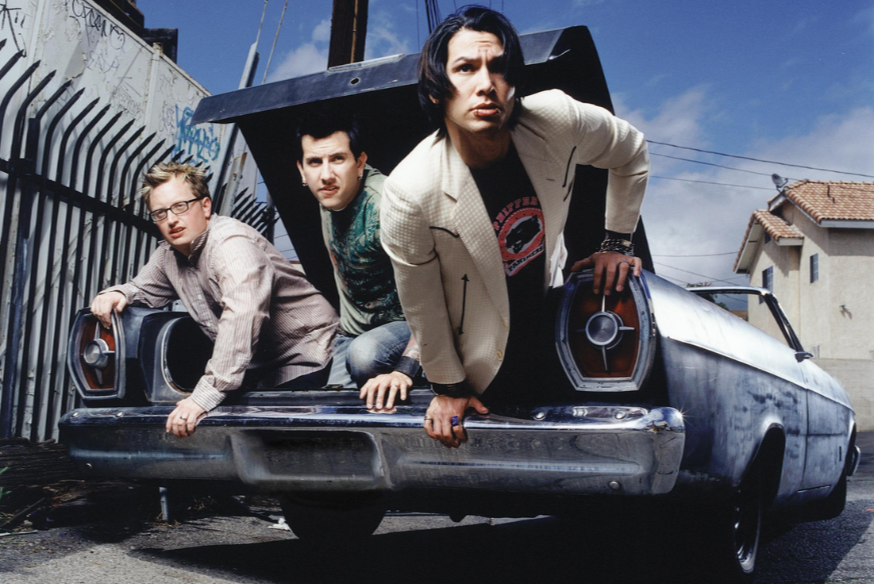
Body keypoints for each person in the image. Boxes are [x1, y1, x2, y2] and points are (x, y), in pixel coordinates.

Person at [380, 6, 649, 448]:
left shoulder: (558, 119)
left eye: (500, 68)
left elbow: (632, 152)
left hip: (551, 315)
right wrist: (448, 387)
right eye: (465, 68)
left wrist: (617, 242)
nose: (487, 84)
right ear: (436, 89)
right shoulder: (411, 190)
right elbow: (423, 304)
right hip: (480, 353)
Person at [90, 162, 338, 438]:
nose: (171, 220)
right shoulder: (169, 254)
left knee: (280, 443)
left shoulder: (231, 245)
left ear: (205, 206)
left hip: (309, 355)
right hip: (260, 370)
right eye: (160, 213)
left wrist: (204, 395)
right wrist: (117, 293)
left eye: (180, 206)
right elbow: (142, 290)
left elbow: (242, 314)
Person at [297, 112, 421, 411]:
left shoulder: (387, 206)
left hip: (415, 327)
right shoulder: (329, 193)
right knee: (329, 417)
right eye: (314, 162)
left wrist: (407, 367)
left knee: (365, 356)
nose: (326, 175)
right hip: (352, 334)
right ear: (302, 171)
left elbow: (444, 295)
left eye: (338, 159)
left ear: (360, 163)